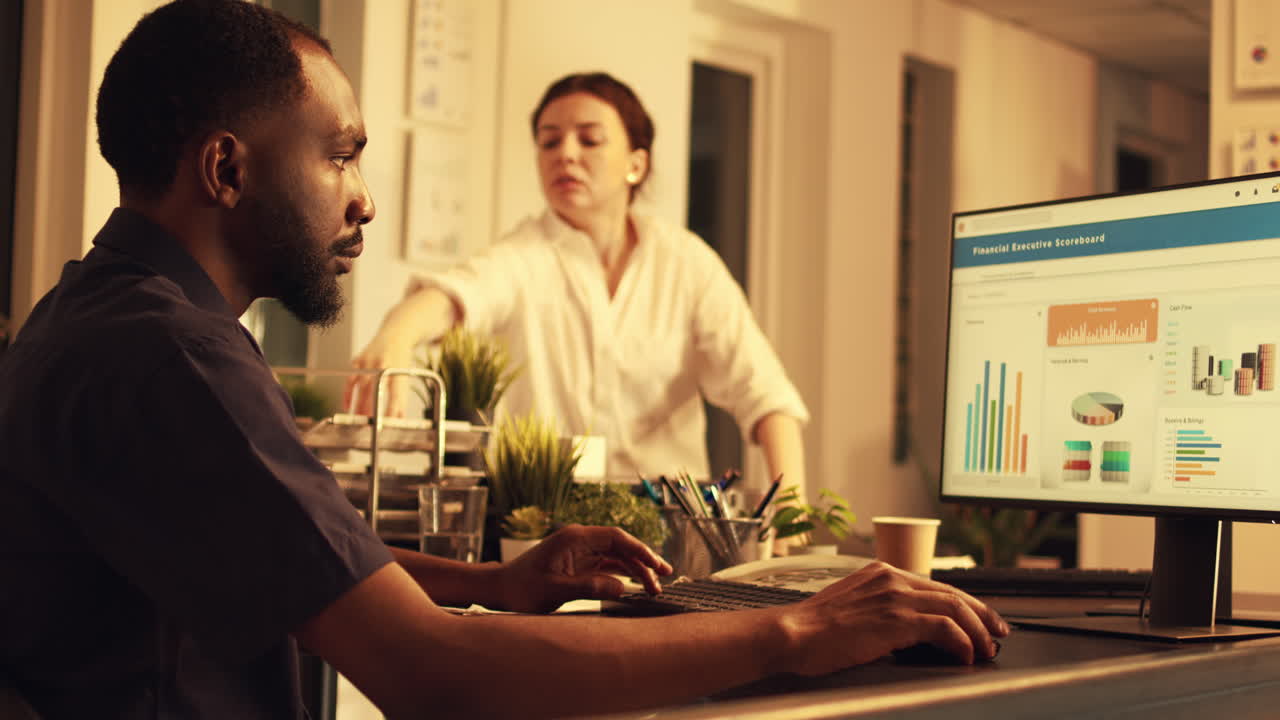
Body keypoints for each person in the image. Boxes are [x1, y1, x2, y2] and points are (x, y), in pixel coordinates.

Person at [0, 2, 1007, 718]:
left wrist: (490, 578)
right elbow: (431, 673)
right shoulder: (178, 358)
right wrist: (797, 630)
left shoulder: (104, 313)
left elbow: (292, 557)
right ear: (226, 167)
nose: (364, 199)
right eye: (341, 155)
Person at [348, 72, 809, 510]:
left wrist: (792, 513)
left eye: (589, 139)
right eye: (549, 142)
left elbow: (766, 395)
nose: (565, 154)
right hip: (544, 530)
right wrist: (397, 334)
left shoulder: (688, 264)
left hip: (670, 529)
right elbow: (458, 295)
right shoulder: (523, 254)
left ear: (636, 163)